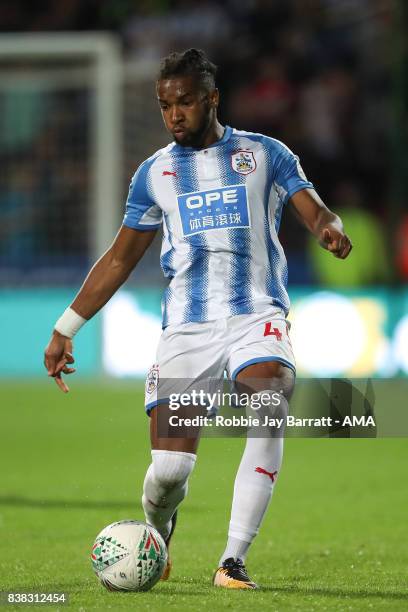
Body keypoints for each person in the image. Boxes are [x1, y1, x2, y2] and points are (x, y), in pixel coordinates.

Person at [44, 48, 352, 590]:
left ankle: (232, 560)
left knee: (269, 400)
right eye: (165, 106)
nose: (174, 115)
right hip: (186, 330)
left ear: (212, 98)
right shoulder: (154, 174)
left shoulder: (264, 154)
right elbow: (120, 258)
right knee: (169, 473)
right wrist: (66, 326)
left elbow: (314, 207)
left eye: (185, 102)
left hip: (257, 314)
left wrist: (328, 227)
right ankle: (158, 538)